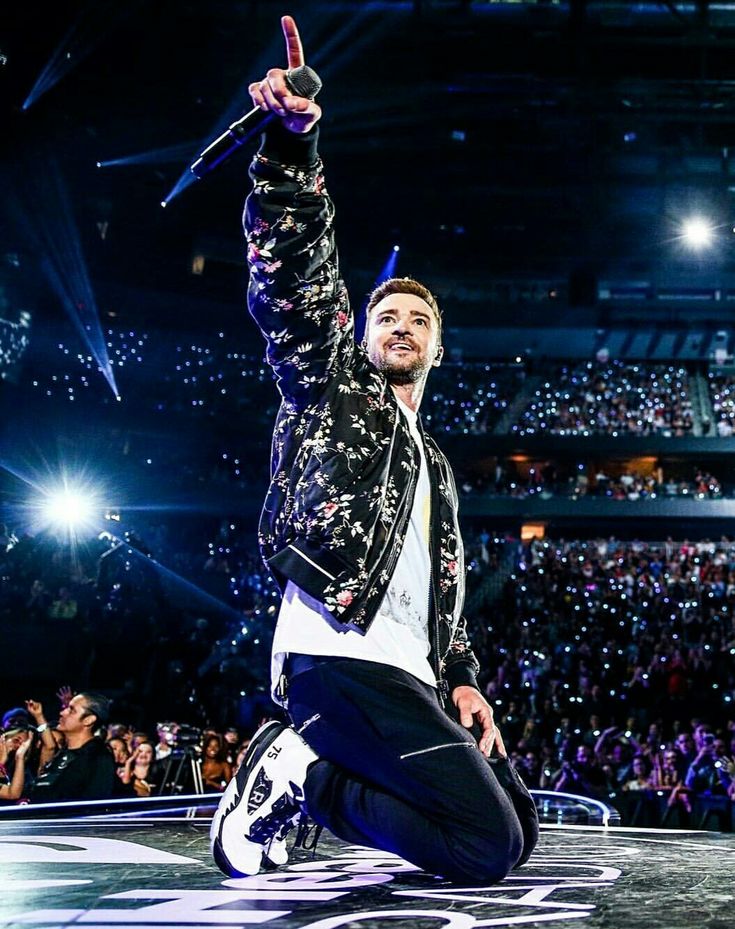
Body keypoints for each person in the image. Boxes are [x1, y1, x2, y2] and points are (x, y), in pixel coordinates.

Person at [210, 15, 538, 885]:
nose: (401, 324)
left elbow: (446, 594)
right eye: (385, 315)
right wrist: (288, 152)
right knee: (486, 846)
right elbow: (292, 277)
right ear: (360, 336)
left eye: (419, 319)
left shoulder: (434, 464)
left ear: (439, 349)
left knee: (523, 828)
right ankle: (303, 777)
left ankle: (317, 783)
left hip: (413, 673)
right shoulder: (333, 385)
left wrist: (462, 678)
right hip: (339, 653)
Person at [29, 692, 115, 803]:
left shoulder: (98, 758)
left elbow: (94, 805)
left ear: (88, 720)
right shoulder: (63, 754)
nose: (62, 712)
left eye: (71, 710)